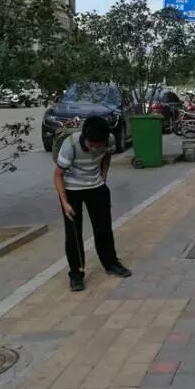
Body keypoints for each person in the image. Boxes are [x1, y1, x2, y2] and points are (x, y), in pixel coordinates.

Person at [54, 116, 132, 292]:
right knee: (74, 234)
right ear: (85, 137)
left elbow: (107, 156)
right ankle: (76, 274)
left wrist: (103, 177)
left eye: (99, 145)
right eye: (92, 145)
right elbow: (58, 175)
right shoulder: (70, 145)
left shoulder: (109, 140)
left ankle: (111, 263)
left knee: (104, 228)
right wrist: (65, 203)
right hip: (71, 190)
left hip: (96, 187)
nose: (95, 149)